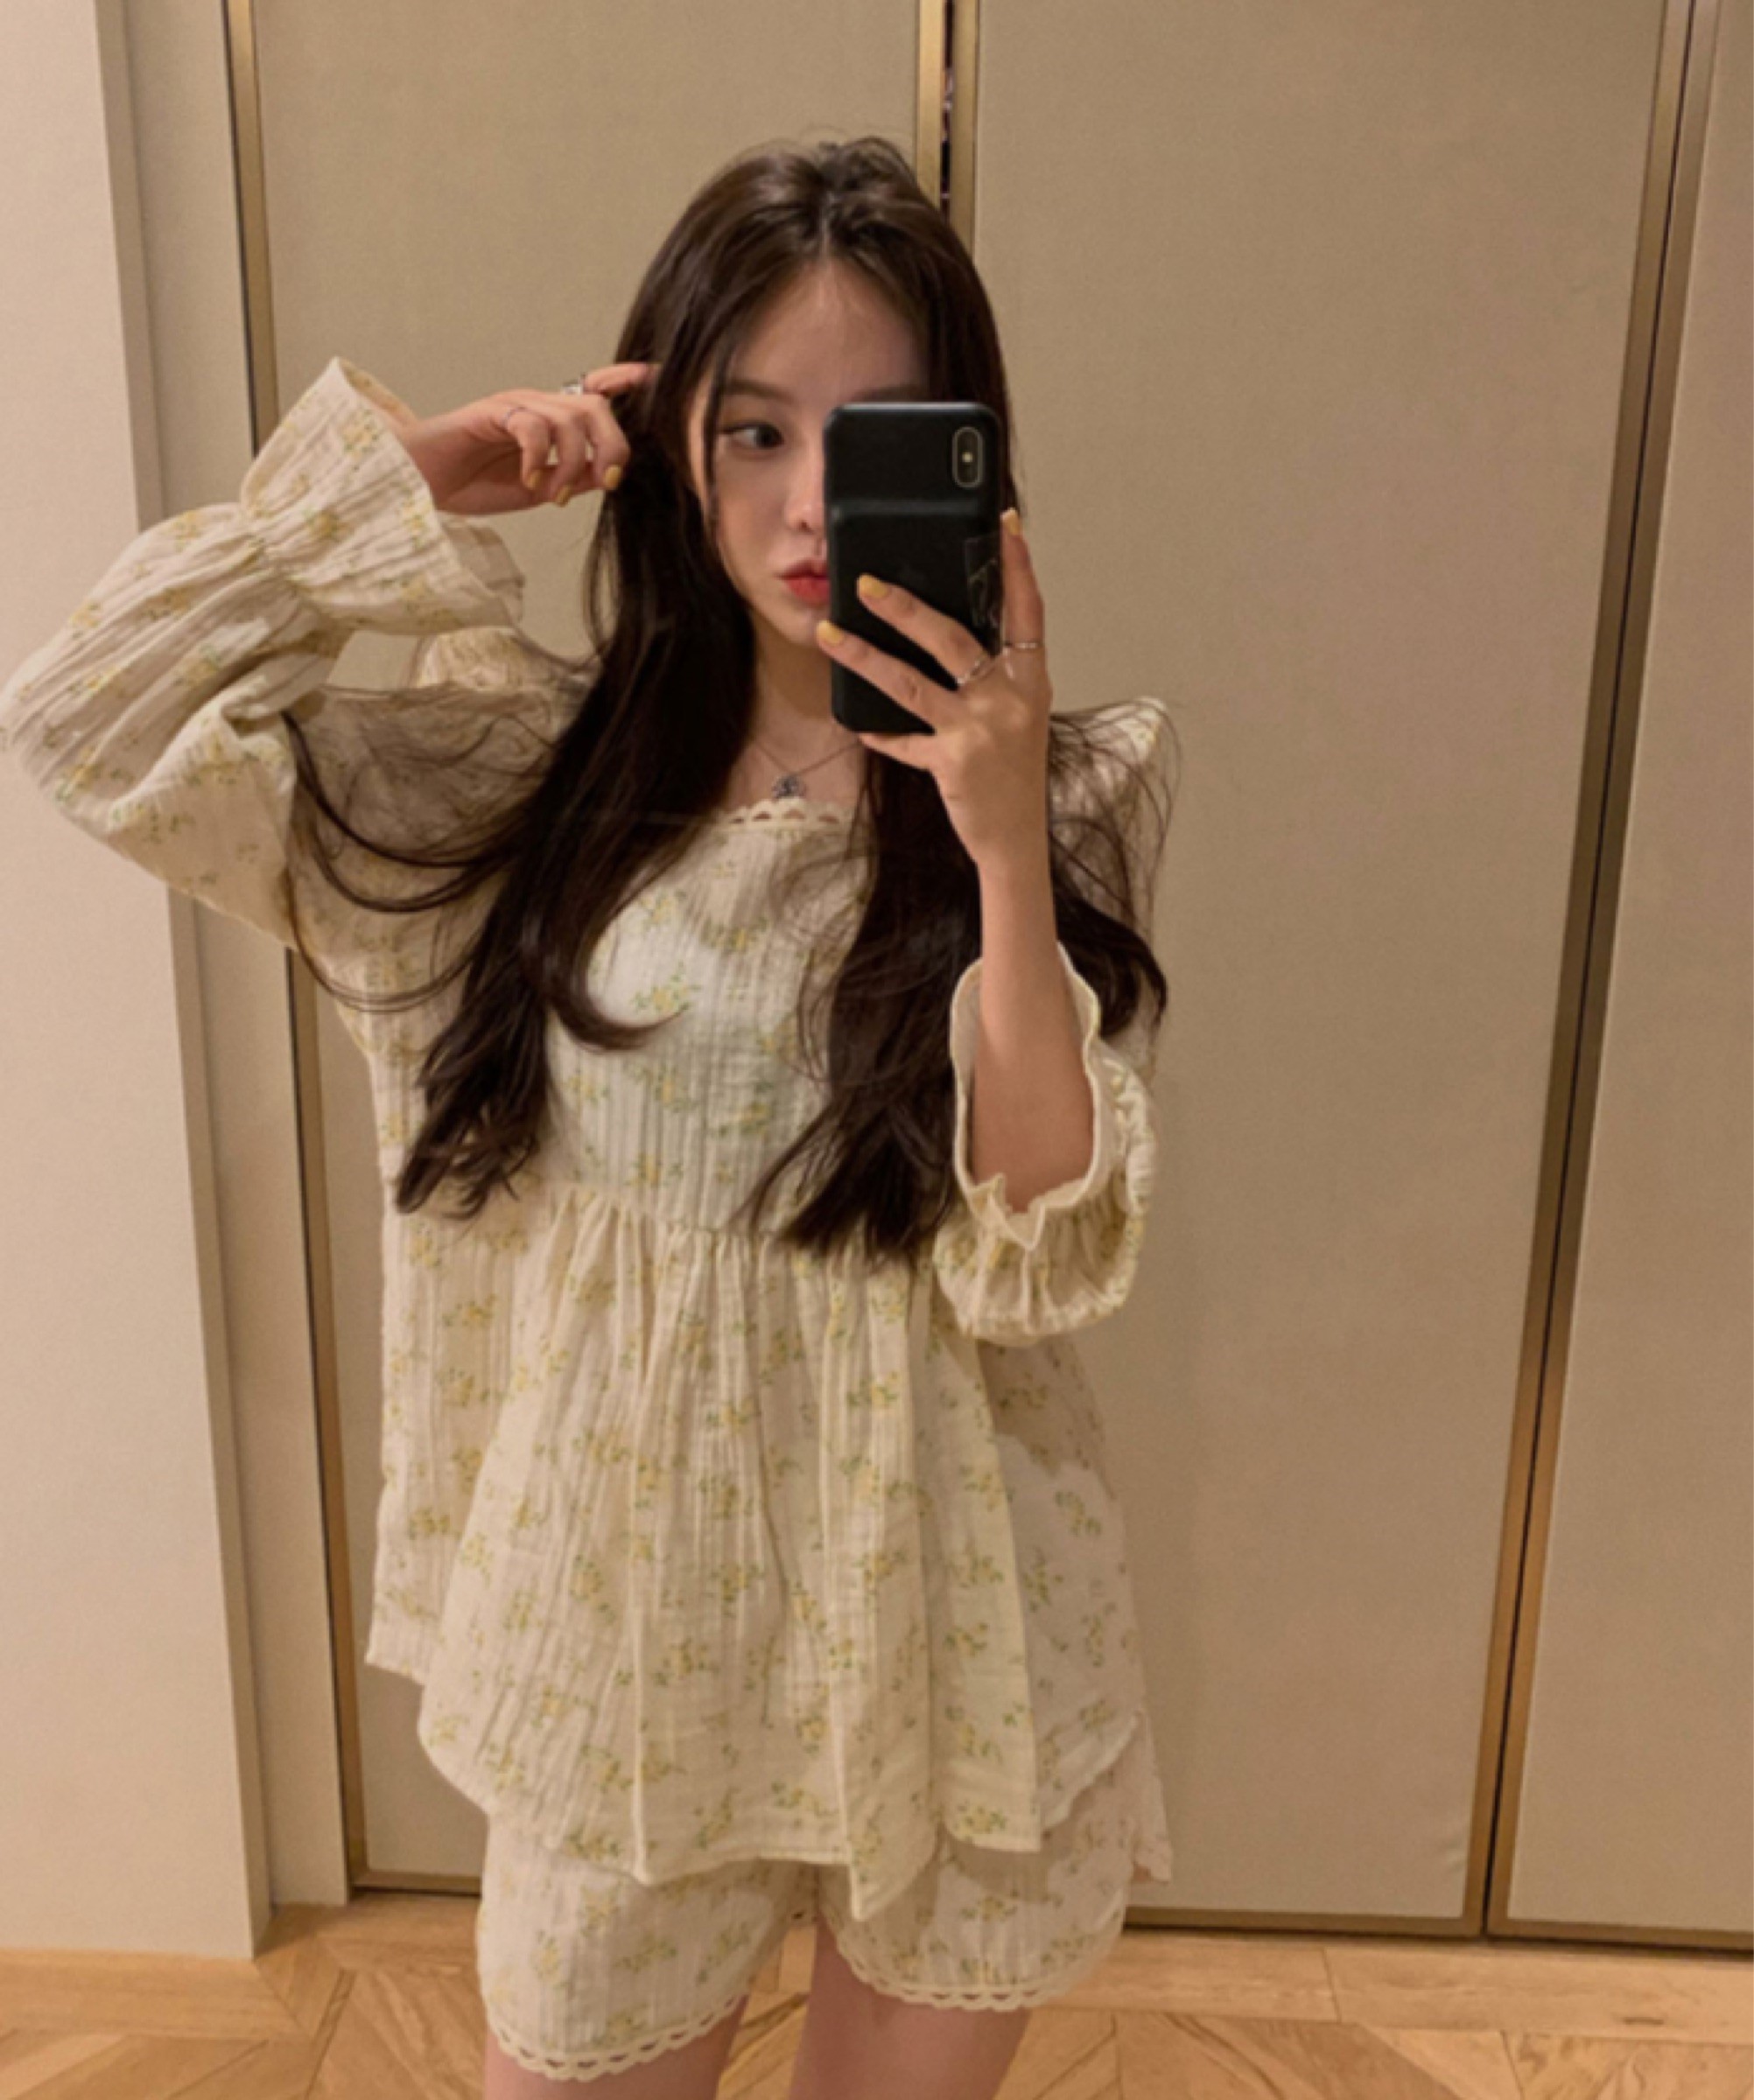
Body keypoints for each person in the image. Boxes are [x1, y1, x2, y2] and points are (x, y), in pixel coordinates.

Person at [0, 135, 1179, 2098]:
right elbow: (83, 721)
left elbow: (1040, 1245)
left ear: (969, 455)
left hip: (957, 1627)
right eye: (754, 432)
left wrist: (994, 845)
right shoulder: (516, 780)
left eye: (875, 437)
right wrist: (408, 483)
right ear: (670, 448)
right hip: (627, 1639)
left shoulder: (1068, 789)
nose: (811, 505)